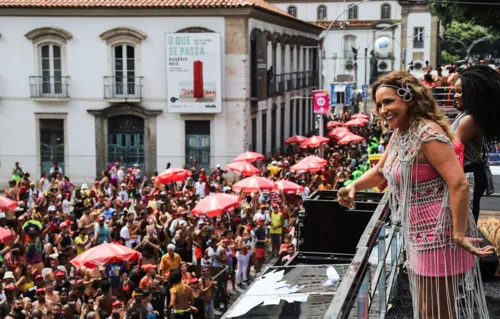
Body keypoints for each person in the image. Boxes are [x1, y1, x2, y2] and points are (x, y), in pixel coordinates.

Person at [339, 71, 493, 319]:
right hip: (417, 236)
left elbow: (460, 184)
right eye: (379, 105)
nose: (382, 110)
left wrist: (458, 234)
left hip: (441, 237)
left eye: (389, 102)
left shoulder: (427, 133)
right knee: (426, 311)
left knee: (436, 313)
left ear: (409, 98)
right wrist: (354, 185)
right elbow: (380, 172)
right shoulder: (401, 132)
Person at [452, 65, 500, 223]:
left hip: (468, 175)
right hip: (471, 174)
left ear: (473, 93)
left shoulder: (469, 120)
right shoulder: (468, 116)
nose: (455, 96)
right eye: (455, 91)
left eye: (460, 92)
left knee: (465, 224)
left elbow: (451, 151)